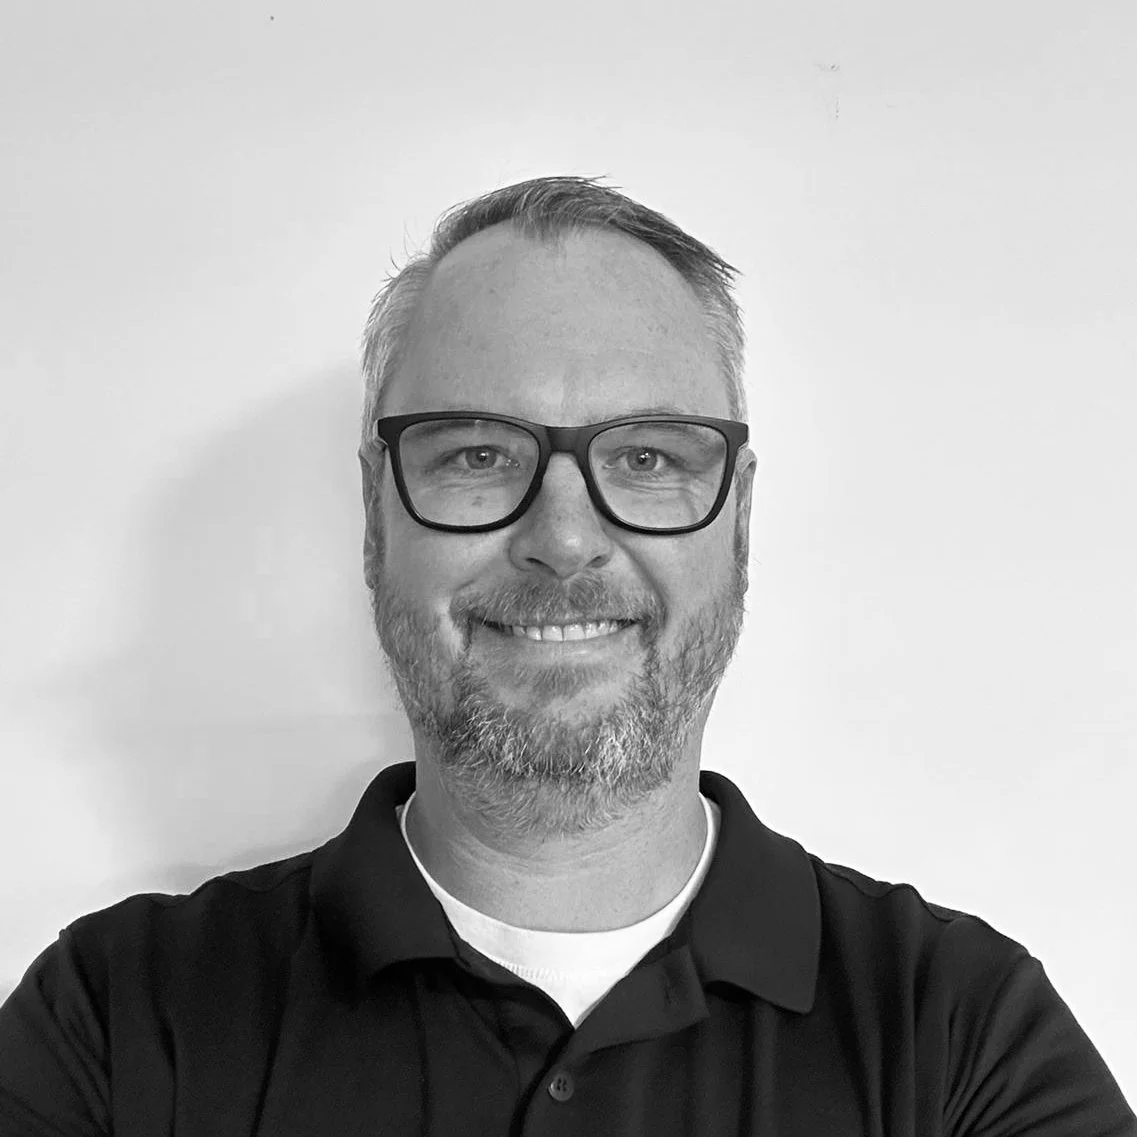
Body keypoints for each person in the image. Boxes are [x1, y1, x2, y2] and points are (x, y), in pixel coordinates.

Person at [0, 175, 1132, 1136]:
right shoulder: (116, 1020)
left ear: (737, 524)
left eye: (646, 457)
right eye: (478, 454)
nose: (563, 540)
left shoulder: (959, 1037)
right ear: (372, 520)